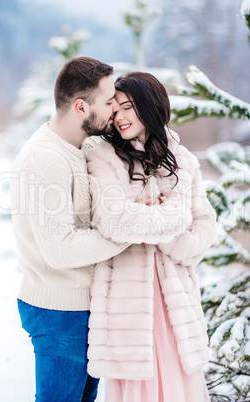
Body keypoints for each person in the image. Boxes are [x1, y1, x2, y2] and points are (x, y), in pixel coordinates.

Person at [86, 72, 218, 402]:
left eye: (128, 106)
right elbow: (112, 221)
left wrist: (159, 228)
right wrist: (172, 218)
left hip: (177, 307)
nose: (119, 116)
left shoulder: (184, 161)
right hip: (128, 310)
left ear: (150, 105)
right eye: (114, 109)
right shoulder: (102, 155)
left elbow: (202, 231)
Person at [9, 56, 132, 402]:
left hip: (80, 307)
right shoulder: (45, 159)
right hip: (59, 312)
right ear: (81, 107)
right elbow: (60, 247)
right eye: (109, 102)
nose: (115, 110)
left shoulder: (83, 146)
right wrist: (128, 233)